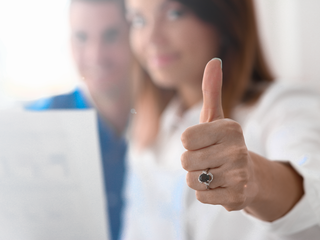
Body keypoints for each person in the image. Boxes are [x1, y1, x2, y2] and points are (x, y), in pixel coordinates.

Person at [121, 0, 320, 239]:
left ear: (224, 19)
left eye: (174, 13)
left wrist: (254, 178)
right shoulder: (147, 131)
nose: (151, 38)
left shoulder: (283, 107)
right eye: (139, 20)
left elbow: (313, 190)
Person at [27, 0, 132, 239]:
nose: (96, 55)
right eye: (82, 37)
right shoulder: (34, 126)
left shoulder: (168, 122)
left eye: (111, 35)